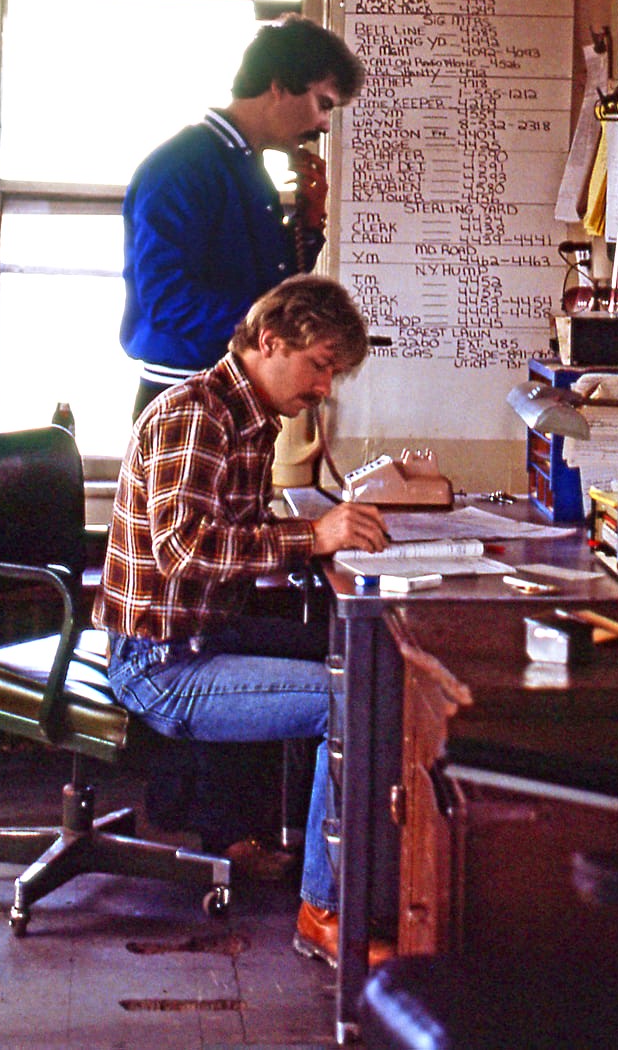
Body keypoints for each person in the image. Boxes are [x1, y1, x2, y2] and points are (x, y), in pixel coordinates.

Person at [93, 274, 391, 967]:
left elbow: (235, 533)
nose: (323, 389)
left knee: (364, 656)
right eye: (319, 367)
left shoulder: (247, 416)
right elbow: (183, 548)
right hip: (161, 665)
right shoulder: (197, 416)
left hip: (204, 634)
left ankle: (297, 851)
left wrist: (310, 541)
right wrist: (313, 540)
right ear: (269, 341)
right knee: (351, 700)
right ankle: (327, 912)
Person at [120, 14, 365, 419]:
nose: (323, 124)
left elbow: (265, 284)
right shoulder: (184, 166)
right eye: (322, 104)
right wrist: (276, 333)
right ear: (280, 86)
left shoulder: (242, 165)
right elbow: (166, 299)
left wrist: (308, 223)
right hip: (186, 388)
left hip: (233, 384)